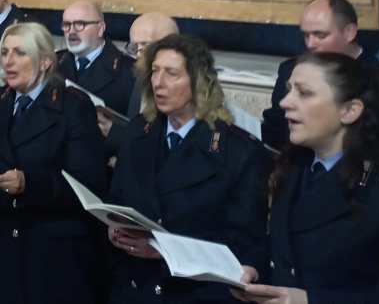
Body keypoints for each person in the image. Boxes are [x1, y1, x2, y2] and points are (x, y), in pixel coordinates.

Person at [0, 22, 108, 304]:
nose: (8, 61)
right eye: (5, 52)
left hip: (50, 252)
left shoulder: (73, 106)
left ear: (45, 61)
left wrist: (29, 184)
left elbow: (90, 183)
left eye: (20, 53)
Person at [107, 34, 270, 303]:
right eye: (155, 71)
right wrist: (115, 228)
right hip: (134, 287)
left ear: (198, 82)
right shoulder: (138, 131)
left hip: (193, 294)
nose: (158, 82)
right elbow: (118, 197)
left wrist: (164, 249)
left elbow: (244, 243)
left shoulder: (239, 151)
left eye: (171, 74)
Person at [233, 52, 379, 304]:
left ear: (349, 110)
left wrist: (311, 300)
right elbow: (283, 248)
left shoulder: (375, 185)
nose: (284, 102)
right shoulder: (295, 166)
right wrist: (254, 268)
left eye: (304, 93)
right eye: (289, 90)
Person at [261, 0, 377, 151]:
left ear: (349, 32)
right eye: (306, 35)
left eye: (320, 35)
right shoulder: (290, 71)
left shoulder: (377, 77)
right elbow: (274, 132)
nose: (310, 44)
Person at [101, 12, 179, 149]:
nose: (137, 55)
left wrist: (114, 133)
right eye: (134, 48)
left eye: (144, 46)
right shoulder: (140, 80)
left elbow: (163, 148)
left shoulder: (183, 91)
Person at [57, 0, 136, 116]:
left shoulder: (130, 70)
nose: (71, 31)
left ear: (100, 29)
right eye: (66, 25)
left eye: (80, 24)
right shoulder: (53, 63)